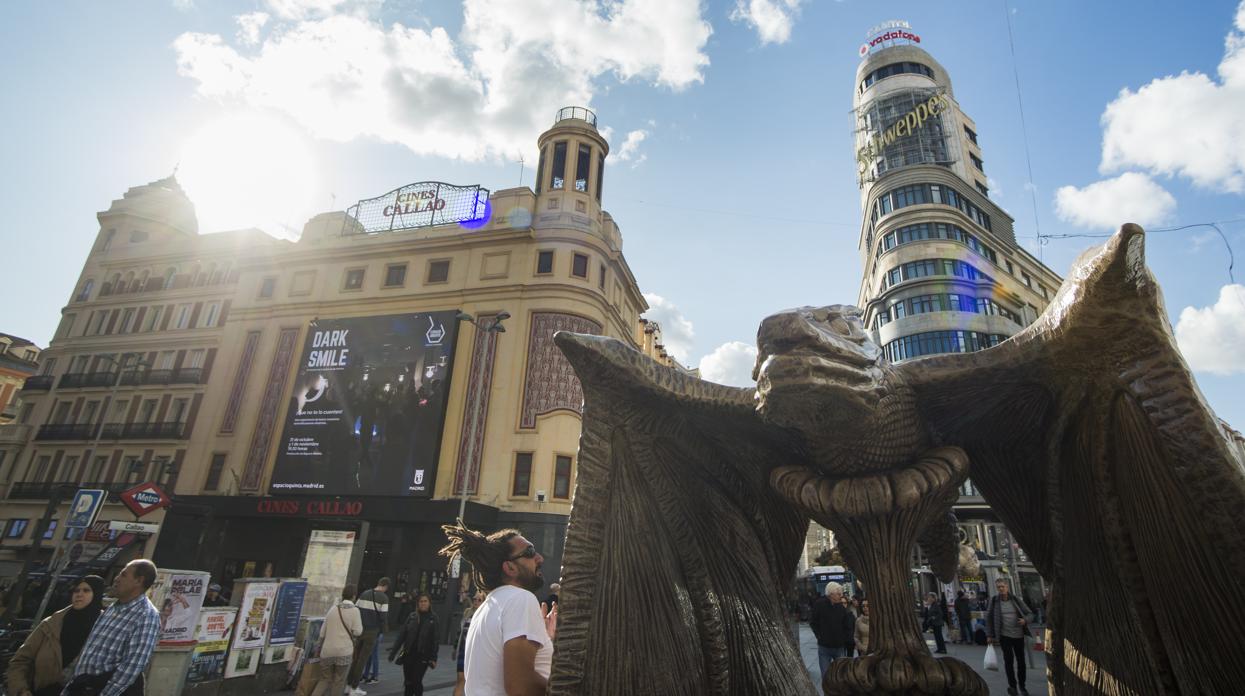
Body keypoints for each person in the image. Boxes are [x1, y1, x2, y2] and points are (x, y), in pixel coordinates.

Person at [439, 522, 557, 696]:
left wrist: (545, 639)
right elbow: (520, 687)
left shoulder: (487, 607)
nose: (539, 558)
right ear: (510, 568)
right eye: (530, 553)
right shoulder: (520, 599)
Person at [63, 560, 161, 696]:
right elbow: (89, 651)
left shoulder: (146, 616)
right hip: (83, 686)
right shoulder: (113, 608)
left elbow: (131, 667)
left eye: (123, 575)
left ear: (139, 581)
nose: (116, 579)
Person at [7, 576, 105, 696]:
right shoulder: (51, 624)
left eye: (86, 590)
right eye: (76, 590)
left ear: (97, 594)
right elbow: (20, 660)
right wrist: (21, 689)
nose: (79, 594)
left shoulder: (105, 629)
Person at [312, 583, 363, 696]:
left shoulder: (333, 609)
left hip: (327, 651)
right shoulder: (355, 611)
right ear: (354, 596)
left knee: (324, 679)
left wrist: (319, 647)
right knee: (338, 681)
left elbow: (322, 632)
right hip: (344, 652)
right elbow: (358, 631)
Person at [986, 578, 1033, 696]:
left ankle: (1022, 686)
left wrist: (1025, 620)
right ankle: (1012, 686)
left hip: (1019, 635)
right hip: (1004, 636)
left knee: (1021, 661)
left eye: (1003, 586)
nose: (1001, 589)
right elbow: (989, 618)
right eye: (999, 587)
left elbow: (1030, 614)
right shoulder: (994, 601)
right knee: (1008, 661)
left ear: (1007, 587)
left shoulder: (1016, 600)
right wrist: (990, 635)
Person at [389, 593, 438, 696]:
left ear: (429, 603)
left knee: (416, 680)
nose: (423, 604)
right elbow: (402, 635)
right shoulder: (412, 616)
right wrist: (393, 652)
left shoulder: (433, 618)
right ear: (417, 603)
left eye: (425, 601)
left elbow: (435, 640)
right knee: (408, 682)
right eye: (421, 601)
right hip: (409, 654)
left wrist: (434, 658)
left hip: (423, 655)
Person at [809, 582, 854, 682]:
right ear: (831, 594)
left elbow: (846, 625)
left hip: (839, 647)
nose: (840, 596)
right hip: (824, 647)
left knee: (840, 676)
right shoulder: (819, 604)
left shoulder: (841, 607)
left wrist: (845, 638)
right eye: (838, 594)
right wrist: (819, 636)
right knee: (826, 676)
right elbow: (813, 622)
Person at [351, 578, 390, 691]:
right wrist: (383, 631)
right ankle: (354, 686)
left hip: (360, 629)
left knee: (355, 657)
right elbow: (383, 617)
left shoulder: (364, 593)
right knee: (363, 659)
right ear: (385, 586)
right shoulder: (384, 598)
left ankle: (348, 683)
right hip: (372, 631)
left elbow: (356, 609)